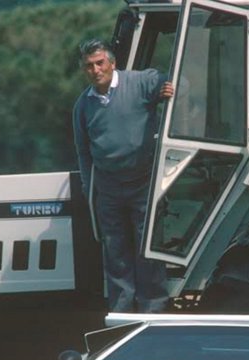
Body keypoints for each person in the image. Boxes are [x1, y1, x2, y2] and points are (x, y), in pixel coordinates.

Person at [72, 38, 173, 313]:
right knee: (115, 253)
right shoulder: (83, 106)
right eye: (89, 66)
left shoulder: (139, 82)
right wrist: (89, 188)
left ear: (112, 63)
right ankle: (121, 315)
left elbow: (180, 82)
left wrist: (171, 90)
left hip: (144, 183)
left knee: (148, 250)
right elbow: (83, 152)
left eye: (100, 63)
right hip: (108, 188)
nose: (95, 70)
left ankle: (154, 312)